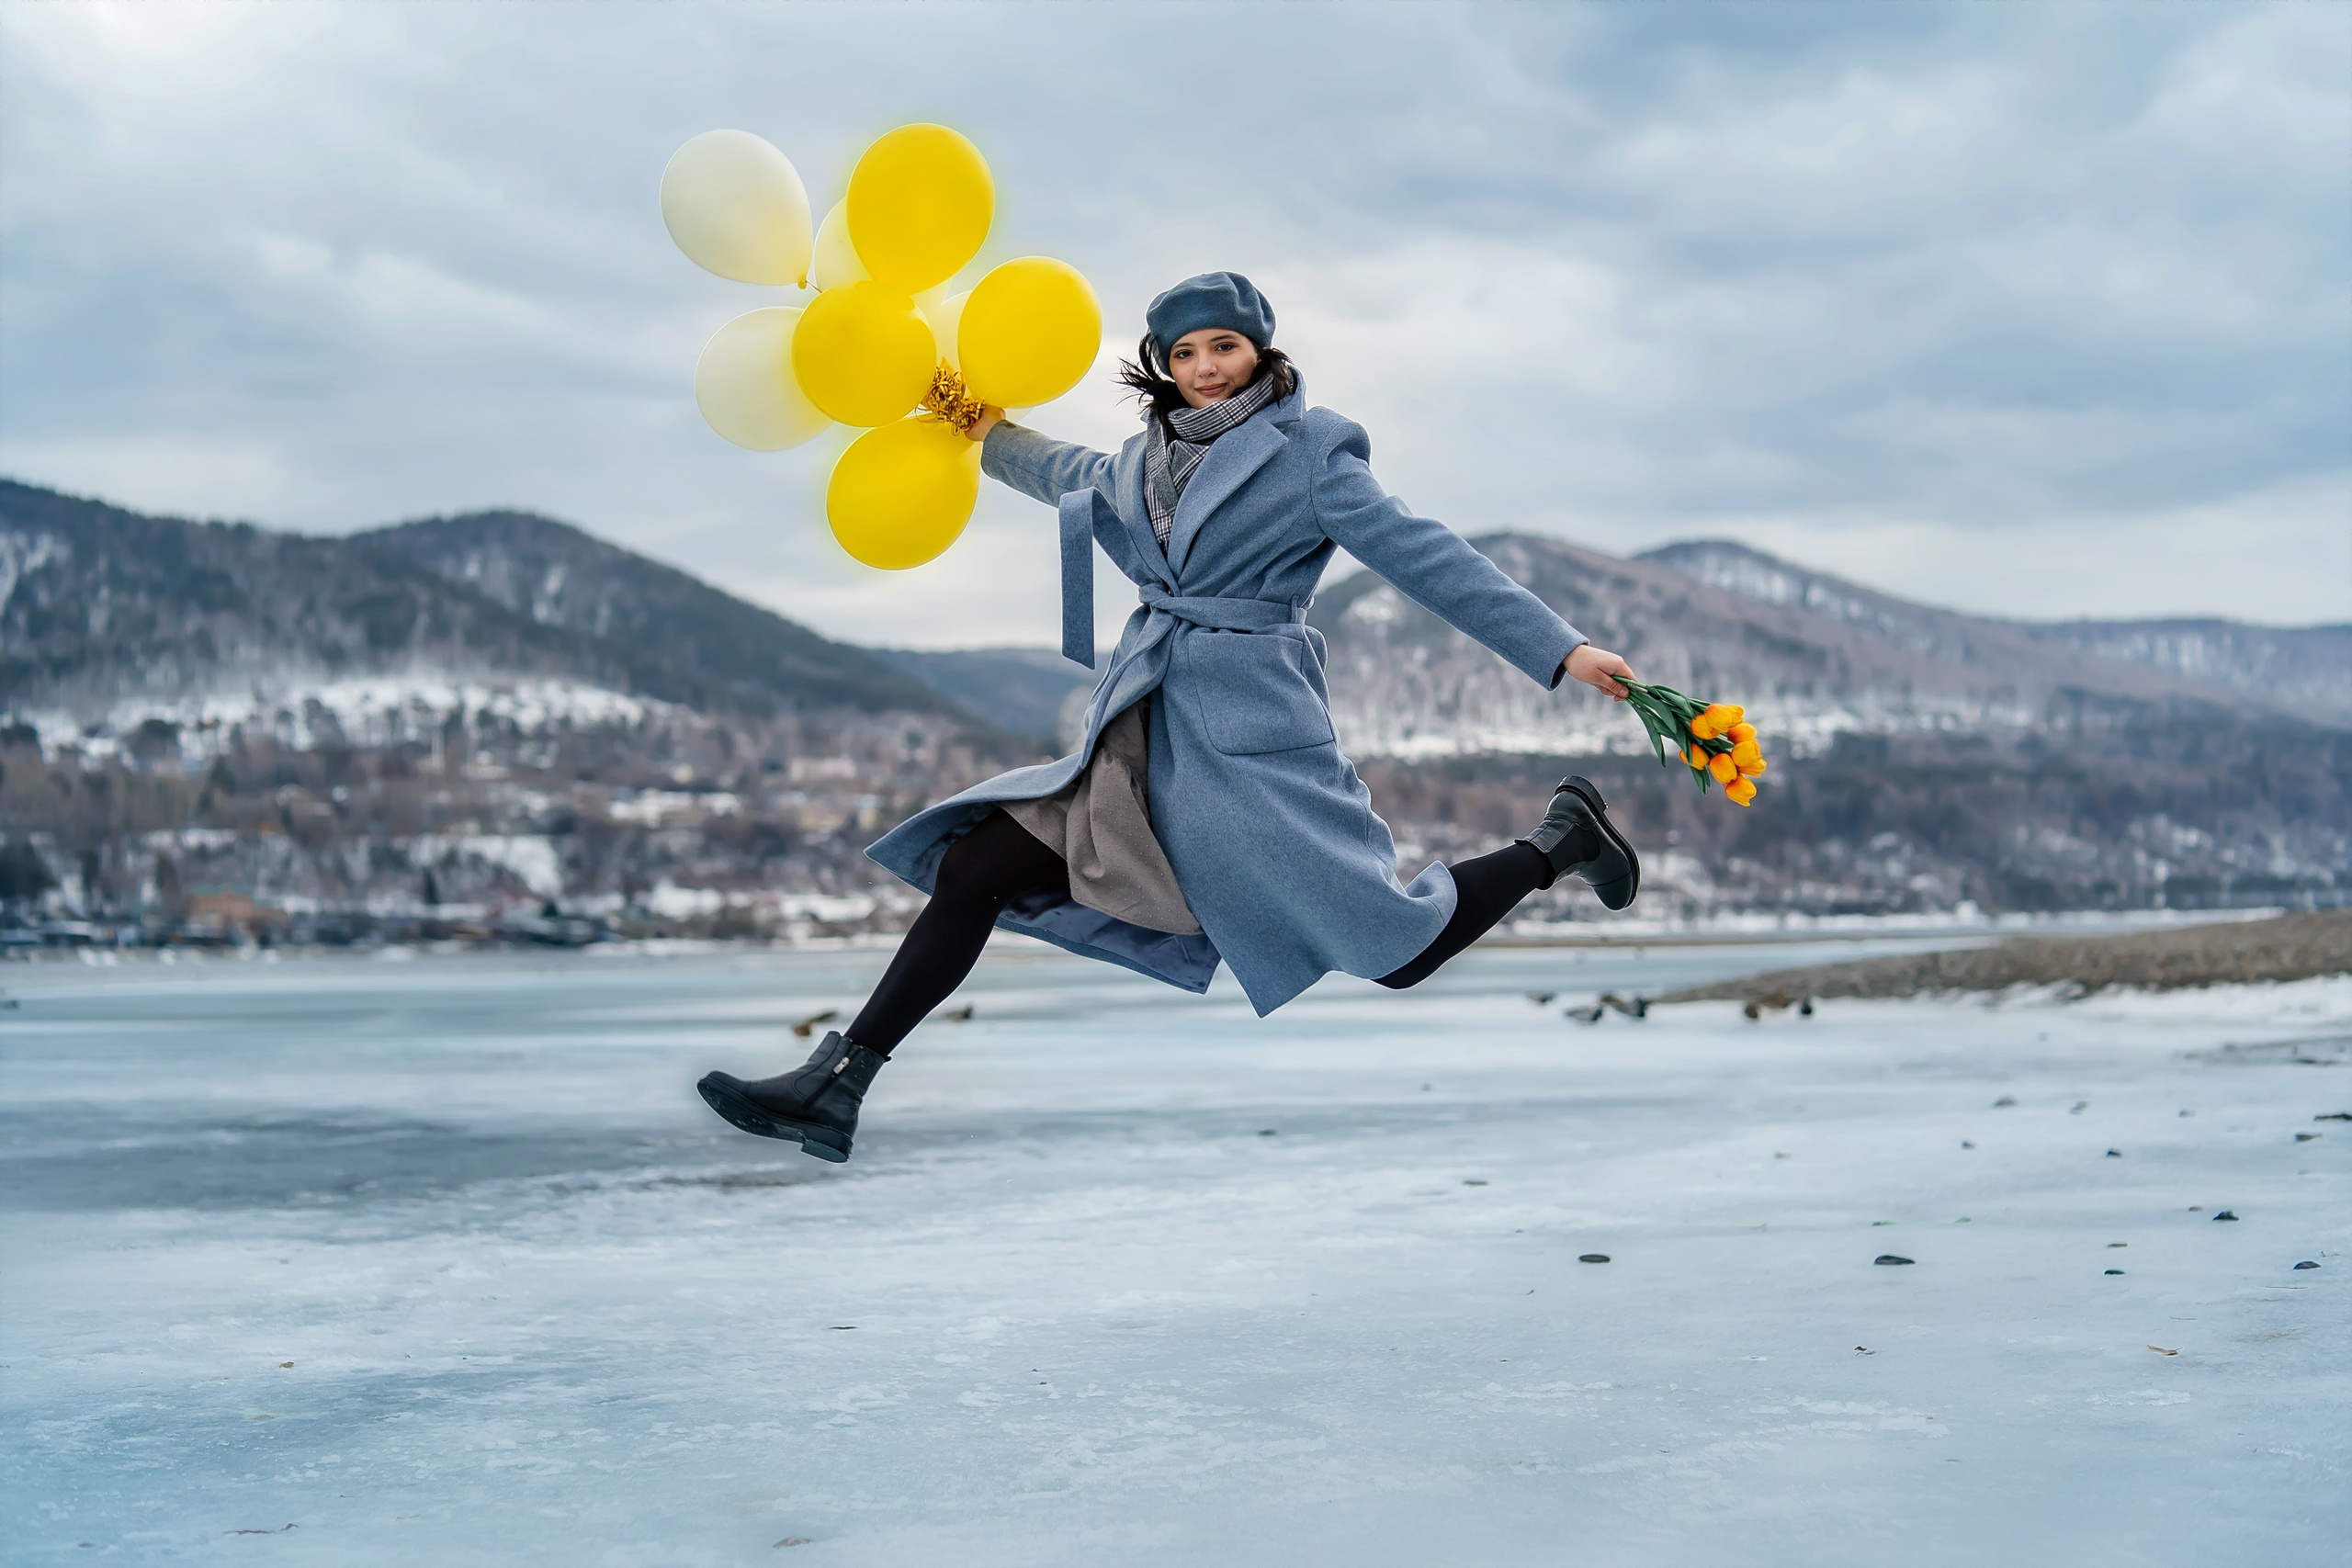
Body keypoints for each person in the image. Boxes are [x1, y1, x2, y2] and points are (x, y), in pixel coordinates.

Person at [699, 272, 1641, 1162]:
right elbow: (1054, 467)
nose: (1203, 368)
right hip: (1140, 732)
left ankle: (1562, 840)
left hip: (1249, 745)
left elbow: (1427, 558)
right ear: (1161, 362)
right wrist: (967, 421)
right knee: (977, 863)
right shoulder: (1137, 462)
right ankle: (840, 1083)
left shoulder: (1311, 453)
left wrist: (1561, 648)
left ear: (1260, 350)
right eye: (1182, 352)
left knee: (1393, 951)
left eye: (1222, 346)